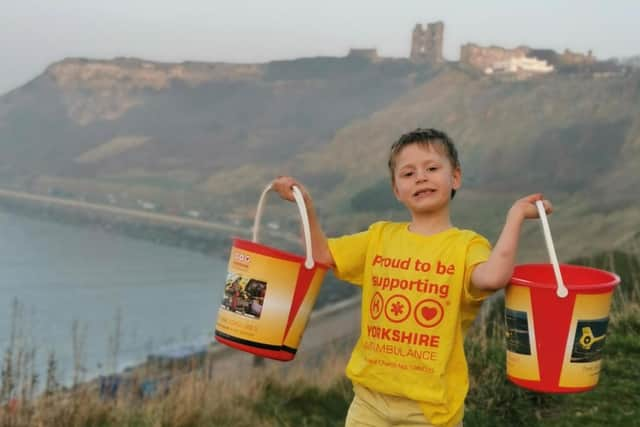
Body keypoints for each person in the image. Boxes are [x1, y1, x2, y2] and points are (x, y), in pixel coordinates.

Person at [271, 128, 552, 427]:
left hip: (430, 410)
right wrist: (305, 204)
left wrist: (515, 216)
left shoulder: (467, 246)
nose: (421, 177)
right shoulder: (379, 237)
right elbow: (322, 254)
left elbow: (494, 277)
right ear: (396, 190)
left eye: (432, 168)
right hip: (369, 400)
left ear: (454, 177)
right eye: (408, 173)